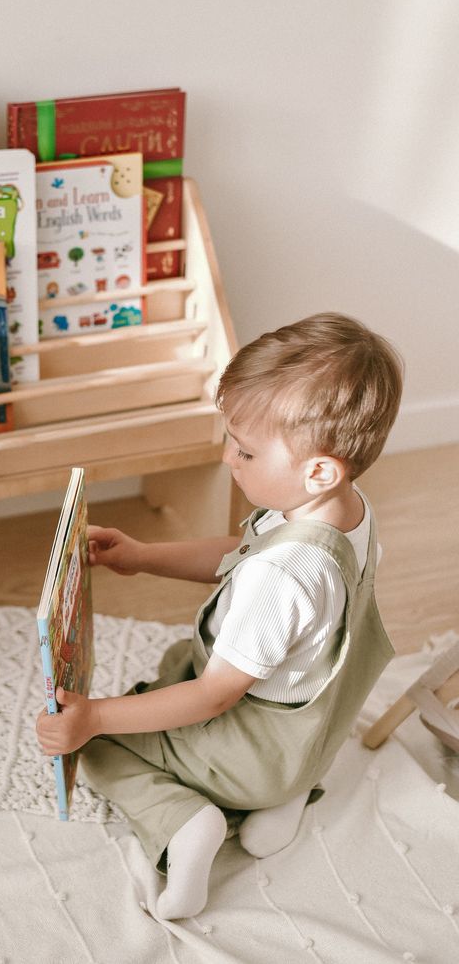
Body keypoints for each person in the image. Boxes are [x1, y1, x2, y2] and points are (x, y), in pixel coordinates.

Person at [36, 312, 404, 920]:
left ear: (318, 469)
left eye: (246, 448)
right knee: (174, 681)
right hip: (311, 736)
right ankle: (283, 802)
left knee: (97, 745)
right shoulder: (345, 508)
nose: (227, 455)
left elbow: (211, 698)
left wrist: (95, 717)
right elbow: (240, 556)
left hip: (253, 747)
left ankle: (189, 825)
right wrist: (144, 556)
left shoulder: (281, 578)